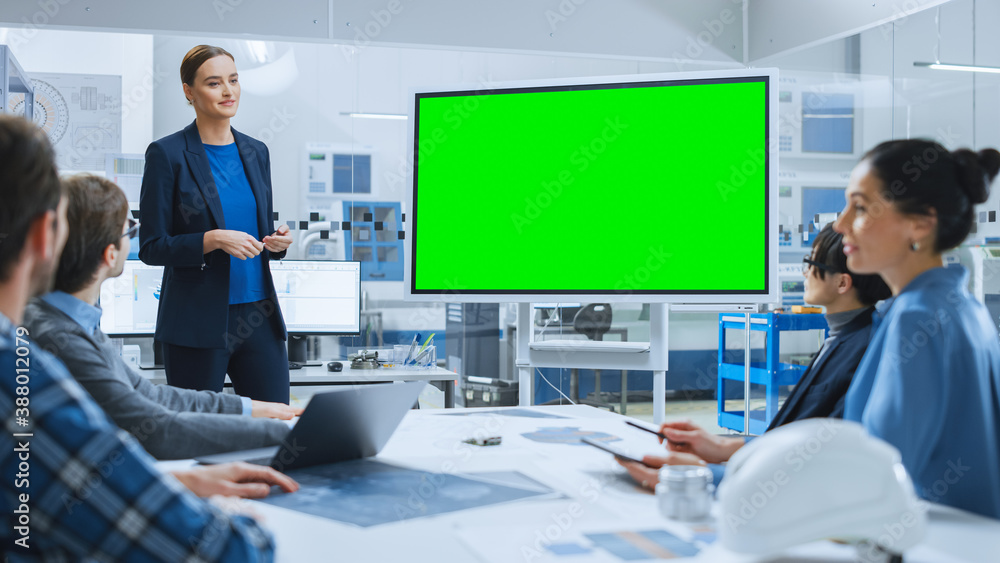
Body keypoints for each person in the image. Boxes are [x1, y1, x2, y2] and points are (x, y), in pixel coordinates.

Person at [0, 114, 298, 560]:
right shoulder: (28, 369)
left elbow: (152, 400)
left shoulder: (66, 332)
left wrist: (258, 414)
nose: (227, 91)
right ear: (48, 238)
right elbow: (226, 550)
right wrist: (300, 442)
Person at [24, 173, 303, 460]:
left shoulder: (76, 323)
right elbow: (157, 430)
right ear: (110, 255)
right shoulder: (61, 339)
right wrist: (291, 436)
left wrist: (256, 409)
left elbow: (153, 396)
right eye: (128, 231)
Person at [618, 224, 891, 488]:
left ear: (843, 282)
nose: (805, 272)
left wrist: (703, 476)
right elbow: (793, 440)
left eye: (812, 264)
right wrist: (723, 447)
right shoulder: (845, 336)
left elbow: (819, 464)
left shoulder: (865, 351)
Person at [833, 139, 1000, 520]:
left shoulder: (916, 320)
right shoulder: (960, 307)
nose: (840, 223)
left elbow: (876, 478)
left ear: (920, 224)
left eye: (860, 207)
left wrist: (714, 477)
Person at [139, 44, 293, 402]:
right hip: (197, 321)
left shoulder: (257, 152)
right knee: (195, 435)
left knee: (275, 426)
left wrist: (277, 243)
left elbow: (258, 233)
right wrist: (211, 239)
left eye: (234, 80)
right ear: (188, 92)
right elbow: (151, 247)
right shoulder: (167, 154)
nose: (228, 91)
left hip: (260, 317)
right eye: (214, 83)